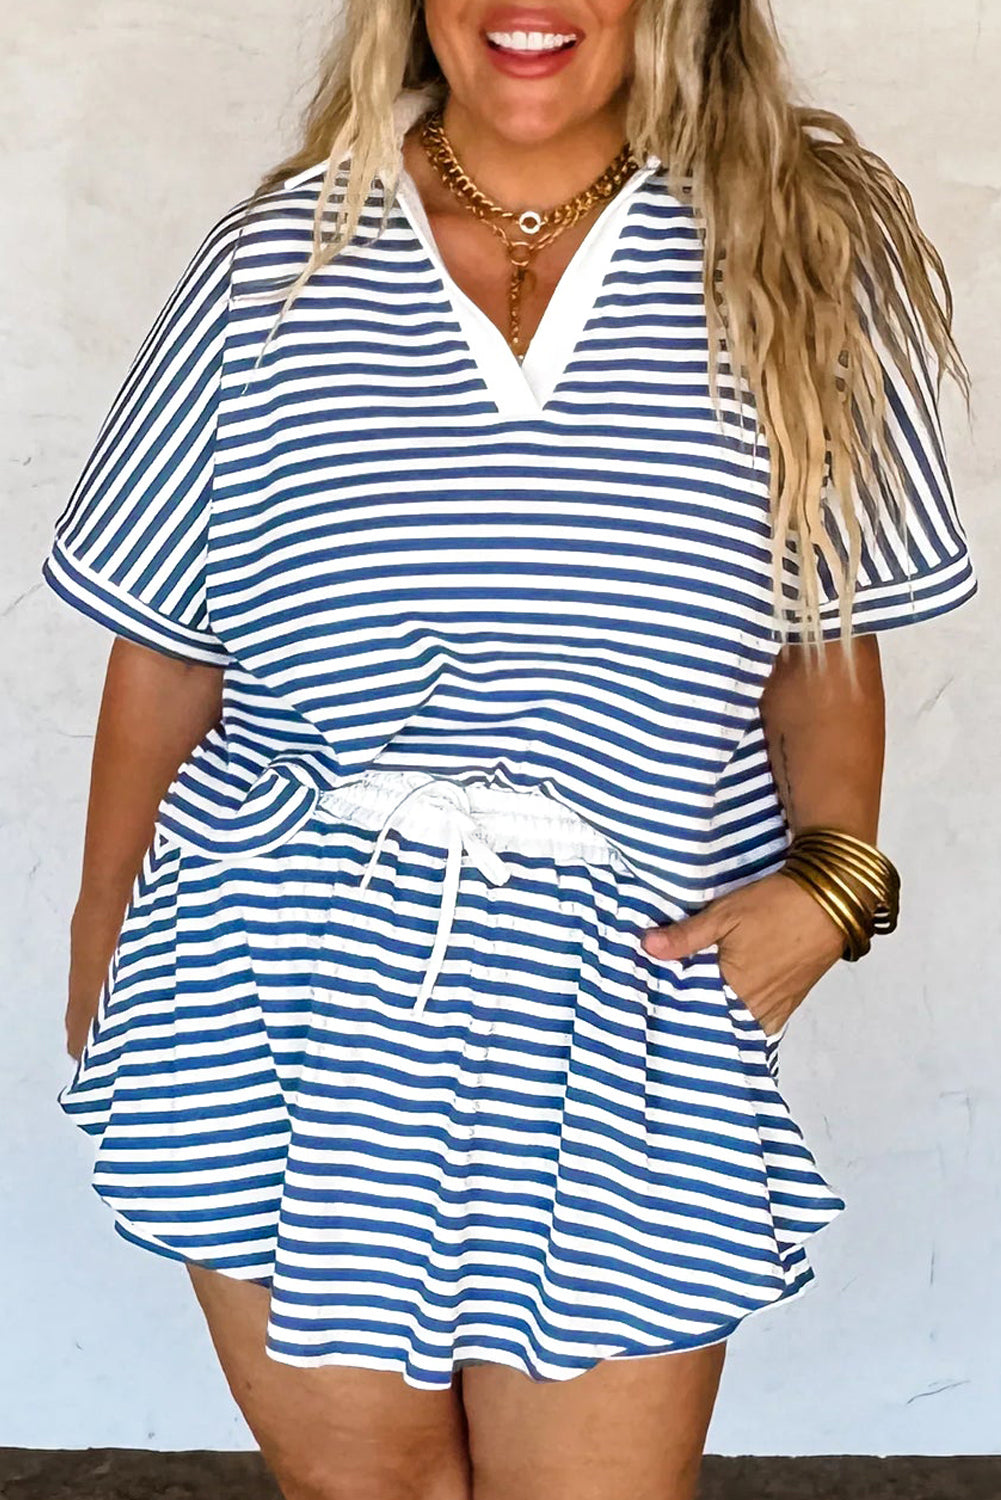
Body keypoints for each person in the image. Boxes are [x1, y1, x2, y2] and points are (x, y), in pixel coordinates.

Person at [43, 1, 977, 1496]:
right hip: (274, 983)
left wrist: (834, 883)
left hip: (624, 997)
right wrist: (104, 923)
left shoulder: (791, 259)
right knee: (370, 1490)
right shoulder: (274, 264)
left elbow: (825, 634)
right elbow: (163, 638)